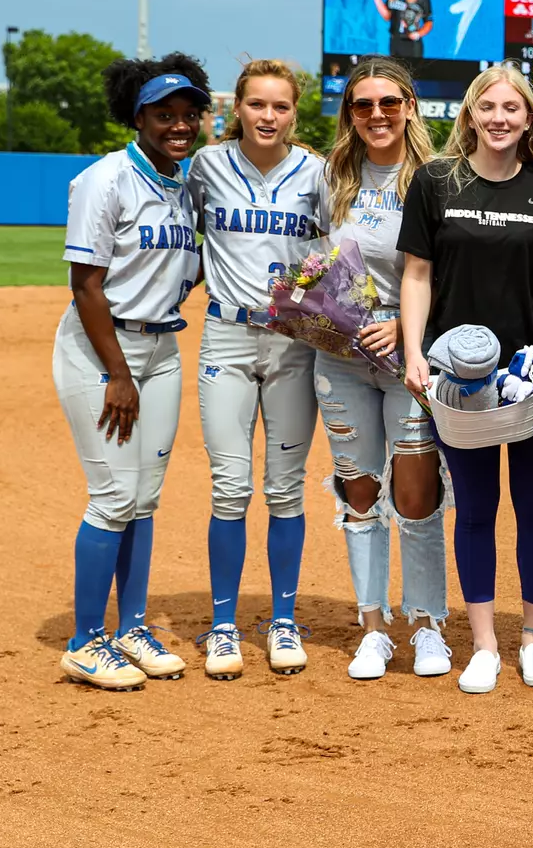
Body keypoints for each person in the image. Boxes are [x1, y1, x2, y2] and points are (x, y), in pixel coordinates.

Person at [399, 65, 533, 694]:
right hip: (456, 379)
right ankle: (485, 645)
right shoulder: (436, 181)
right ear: (469, 115)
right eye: (488, 107)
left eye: (512, 109)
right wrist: (415, 352)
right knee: (474, 508)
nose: (500, 118)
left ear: (529, 119)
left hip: (526, 378)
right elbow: (417, 274)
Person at [54, 54, 209, 690]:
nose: (179, 124)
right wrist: (117, 372)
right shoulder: (105, 180)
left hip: (162, 351)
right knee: (113, 496)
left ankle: (132, 626)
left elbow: (191, 270)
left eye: (188, 114)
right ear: (137, 115)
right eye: (163, 114)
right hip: (101, 351)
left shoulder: (186, 184)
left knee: (143, 498)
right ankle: (85, 638)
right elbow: (87, 285)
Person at [186, 59, 324, 679]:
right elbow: (180, 240)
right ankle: (222, 625)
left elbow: (340, 250)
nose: (269, 116)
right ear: (236, 108)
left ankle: (284, 619)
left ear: (295, 113)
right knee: (230, 486)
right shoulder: (206, 167)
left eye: (281, 106)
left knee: (285, 487)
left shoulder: (318, 174)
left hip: (294, 341)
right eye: (258, 104)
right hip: (227, 335)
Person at [316, 56, 452, 680]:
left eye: (389, 103)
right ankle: (373, 626)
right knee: (361, 489)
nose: (377, 115)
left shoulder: (437, 176)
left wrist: (405, 323)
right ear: (350, 113)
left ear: (409, 108)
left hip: (410, 358)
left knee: (417, 494)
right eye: (363, 105)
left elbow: (451, 274)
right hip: (341, 360)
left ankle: (427, 624)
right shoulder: (330, 177)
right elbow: (315, 264)